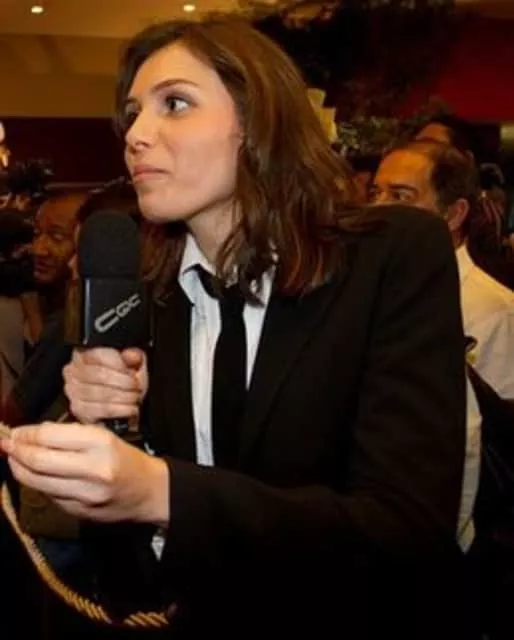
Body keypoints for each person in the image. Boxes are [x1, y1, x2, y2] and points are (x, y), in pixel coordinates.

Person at [1, 18, 470, 639]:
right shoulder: (150, 291)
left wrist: (159, 491)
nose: (135, 135)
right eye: (132, 114)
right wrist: (115, 436)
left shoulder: (393, 256)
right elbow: (128, 572)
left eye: (175, 103)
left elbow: (406, 529)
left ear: (257, 120)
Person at [370, 140, 514, 401]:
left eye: (400, 196)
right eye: (375, 193)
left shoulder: (492, 310)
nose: (378, 208)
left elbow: (498, 416)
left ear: (453, 214)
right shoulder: (369, 288)